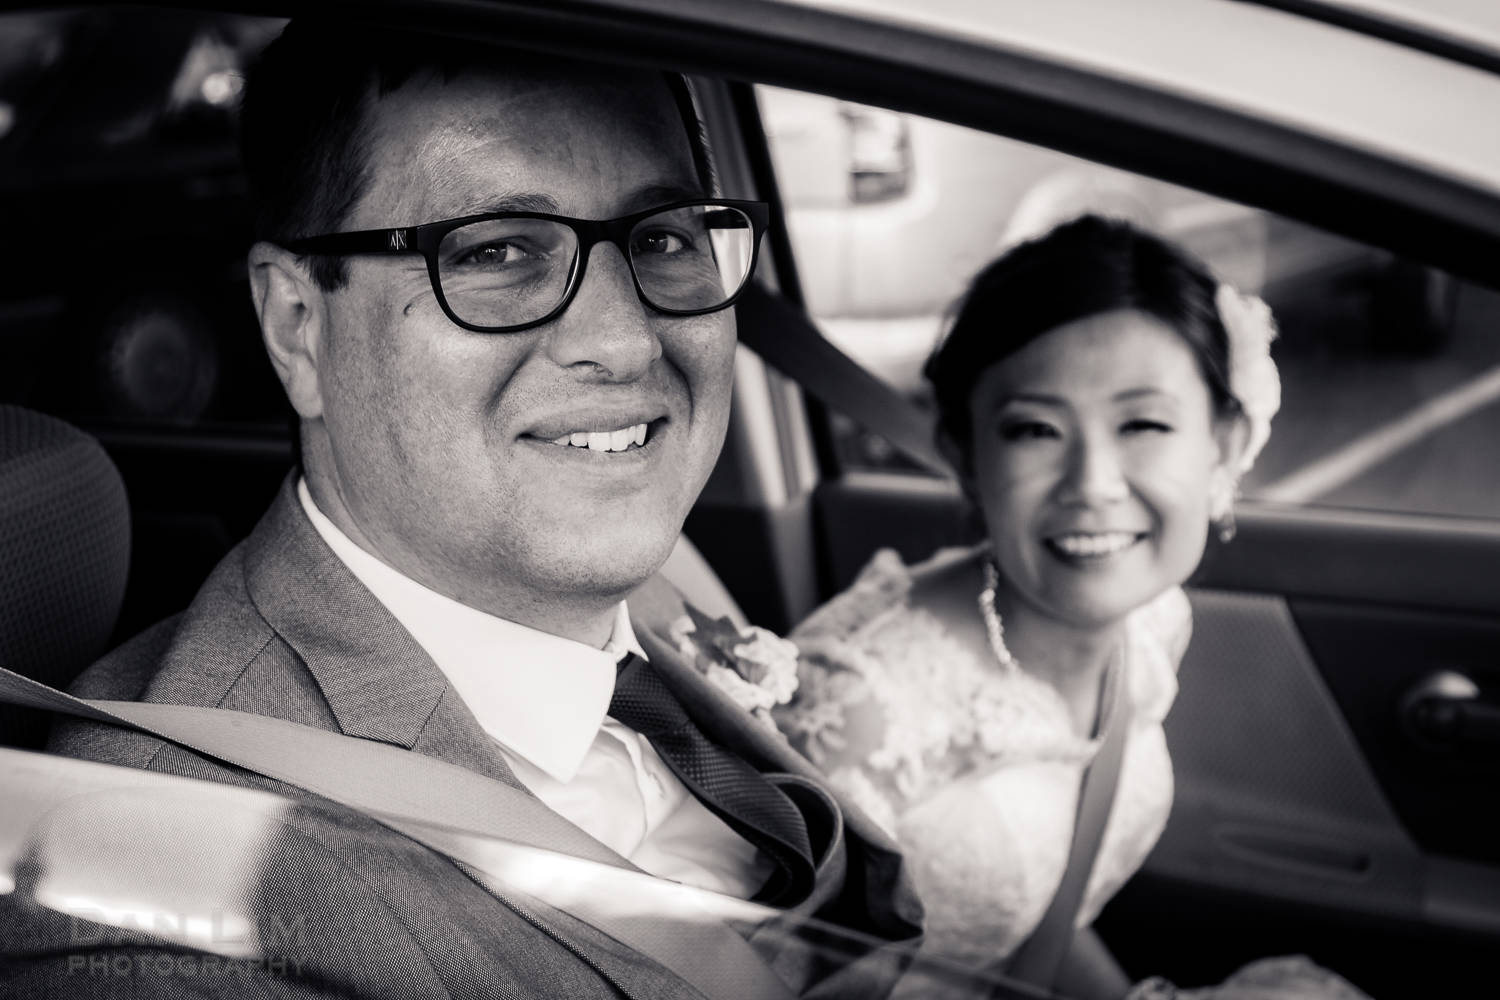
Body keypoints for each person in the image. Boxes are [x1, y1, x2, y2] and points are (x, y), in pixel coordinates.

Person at [6, 17, 922, 999]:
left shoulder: (635, 576)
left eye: (662, 236)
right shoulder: (164, 896)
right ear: (298, 327)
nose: (621, 340)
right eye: (494, 253)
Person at [774, 215, 1289, 993]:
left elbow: (1044, 919)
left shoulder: (1152, 621)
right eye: (1036, 430)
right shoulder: (859, 709)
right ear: (966, 457)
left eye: (1143, 423)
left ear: (1222, 443)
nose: (1093, 483)